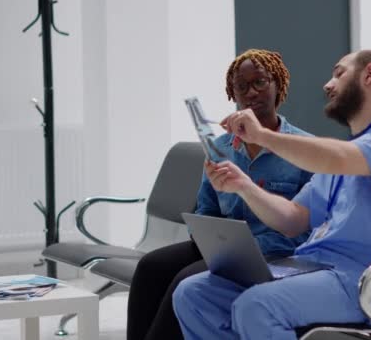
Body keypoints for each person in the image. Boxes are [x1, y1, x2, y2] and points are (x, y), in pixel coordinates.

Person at [172, 50, 371, 340]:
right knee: (193, 294)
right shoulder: (342, 157)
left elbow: (338, 157)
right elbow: (292, 219)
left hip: (361, 281)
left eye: (339, 73)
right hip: (310, 268)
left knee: (257, 306)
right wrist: (242, 185)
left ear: (369, 74)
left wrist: (262, 136)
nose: (328, 84)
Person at [126, 49, 313, 340]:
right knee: (150, 267)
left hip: (277, 253)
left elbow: (306, 229)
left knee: (185, 281)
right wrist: (207, 236)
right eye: (241, 86)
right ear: (232, 93)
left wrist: (240, 247)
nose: (251, 92)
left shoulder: (303, 148)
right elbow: (206, 207)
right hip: (225, 247)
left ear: (278, 85)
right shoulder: (221, 148)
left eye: (260, 82)